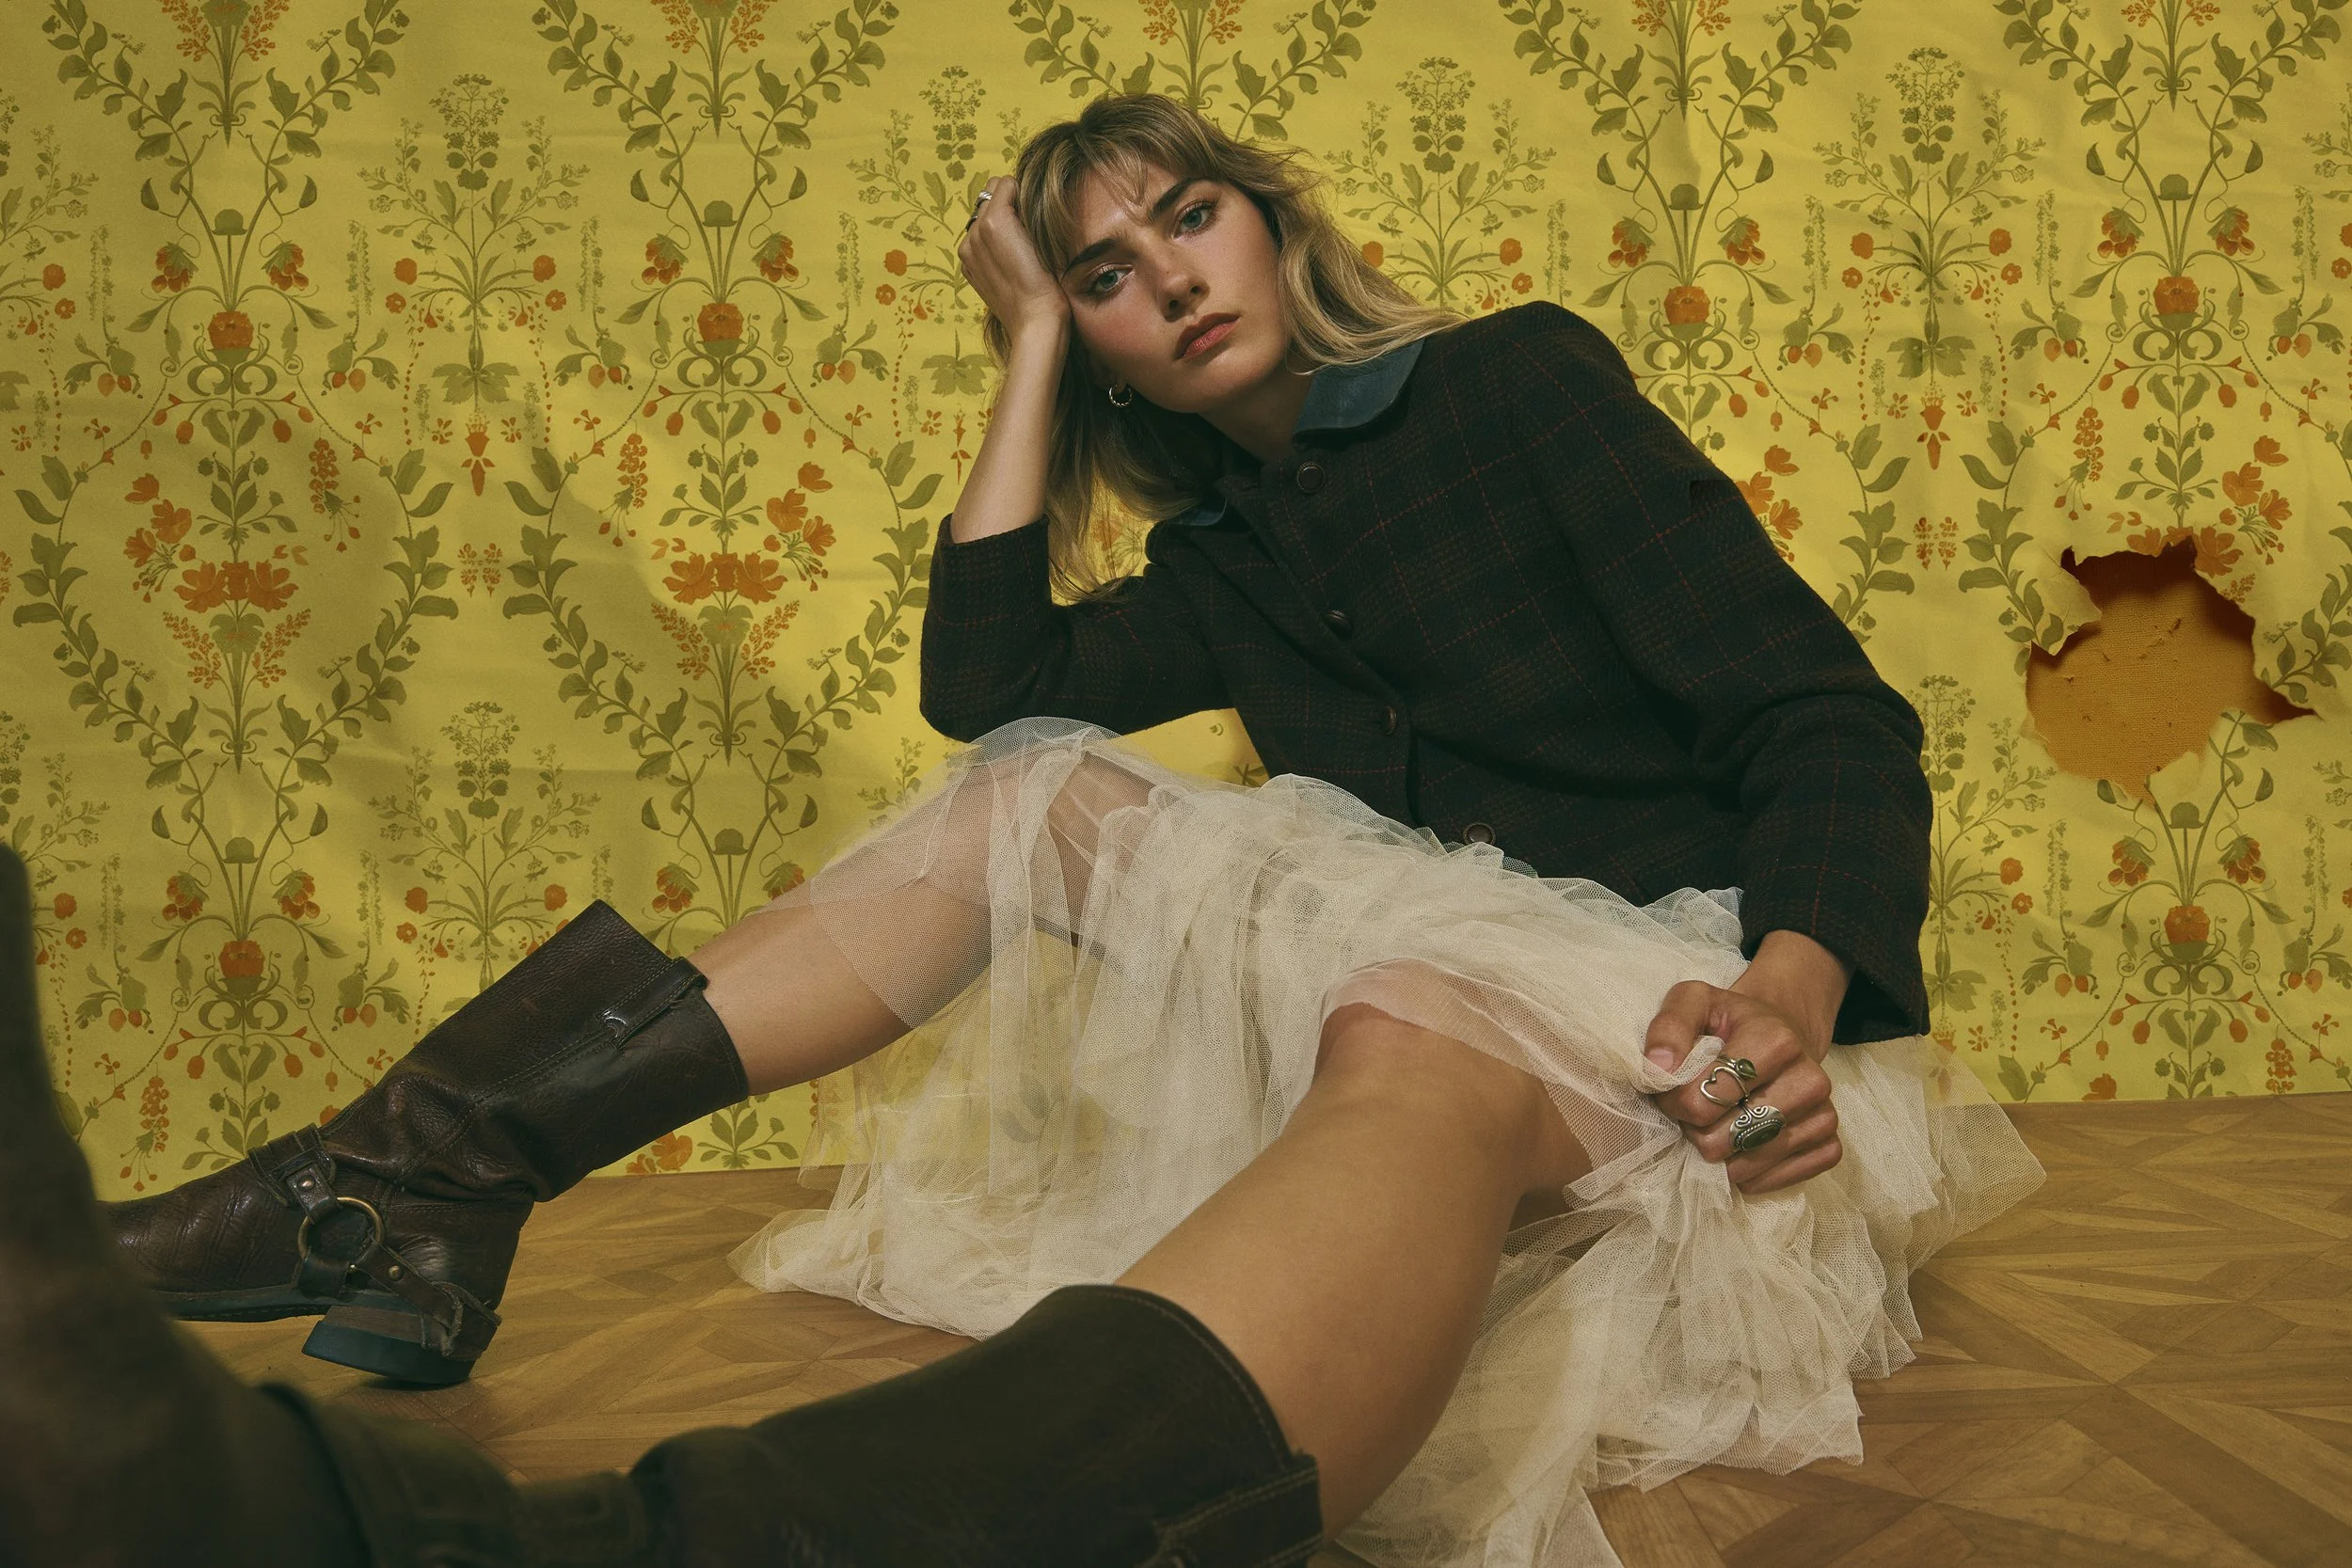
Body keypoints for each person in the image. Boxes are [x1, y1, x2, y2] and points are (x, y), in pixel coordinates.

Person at [63, 93, 2043, 1568]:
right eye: (1101, 274)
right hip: (1422, 979)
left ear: (1274, 227)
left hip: (1687, 1014)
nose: (1167, 278)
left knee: (1415, 1012)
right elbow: (988, 677)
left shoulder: (1515, 383)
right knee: (1027, 786)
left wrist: (1791, 988)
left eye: (1191, 218)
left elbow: (1822, 717)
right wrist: (1019, 348)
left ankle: (915, 1531)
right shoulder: (1224, 551)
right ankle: (416, 1172)